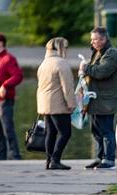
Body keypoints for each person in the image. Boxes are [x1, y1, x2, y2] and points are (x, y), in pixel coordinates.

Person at [80, 27, 117, 170]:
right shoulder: (97, 52)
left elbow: (102, 72)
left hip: (106, 100)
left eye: (95, 39)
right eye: (91, 39)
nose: (92, 42)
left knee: (106, 131)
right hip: (95, 99)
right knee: (95, 130)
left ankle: (109, 160)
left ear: (104, 39)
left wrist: (85, 68)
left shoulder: (112, 54)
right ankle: (100, 157)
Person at [37, 37, 76, 170]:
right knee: (66, 133)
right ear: (60, 48)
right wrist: (71, 103)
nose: (67, 50)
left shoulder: (44, 63)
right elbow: (68, 86)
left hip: (45, 104)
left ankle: (48, 160)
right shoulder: (61, 63)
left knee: (51, 132)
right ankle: (55, 159)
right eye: (66, 47)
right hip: (58, 104)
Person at [0, 33, 24, 160]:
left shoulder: (9, 59)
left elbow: (18, 76)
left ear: (0, 43)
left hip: (4, 102)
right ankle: (0, 158)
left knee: (8, 130)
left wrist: (5, 85)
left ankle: (16, 157)